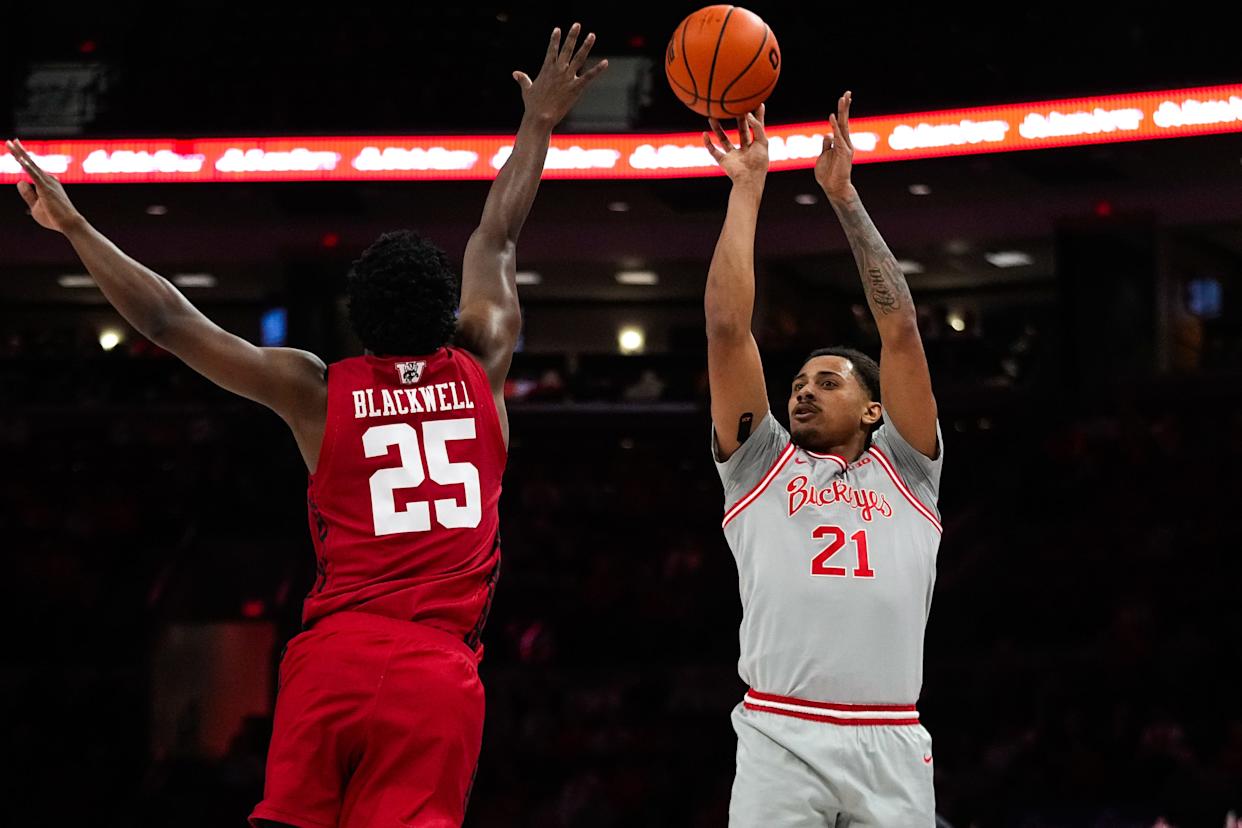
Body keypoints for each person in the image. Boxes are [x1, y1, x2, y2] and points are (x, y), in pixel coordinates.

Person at [6, 23, 606, 828]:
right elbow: (495, 235)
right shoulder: (484, 359)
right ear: (448, 315)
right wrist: (539, 122)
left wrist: (75, 227)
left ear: (359, 323)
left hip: (331, 663)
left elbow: (169, 320)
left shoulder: (316, 390)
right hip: (436, 669)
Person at [701, 92, 945, 826]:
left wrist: (843, 198)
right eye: (797, 383)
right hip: (781, 734)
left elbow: (899, 330)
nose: (802, 392)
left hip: (892, 737)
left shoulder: (910, 470)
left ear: (876, 410)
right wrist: (748, 187)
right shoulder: (759, 463)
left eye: (827, 381)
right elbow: (724, 326)